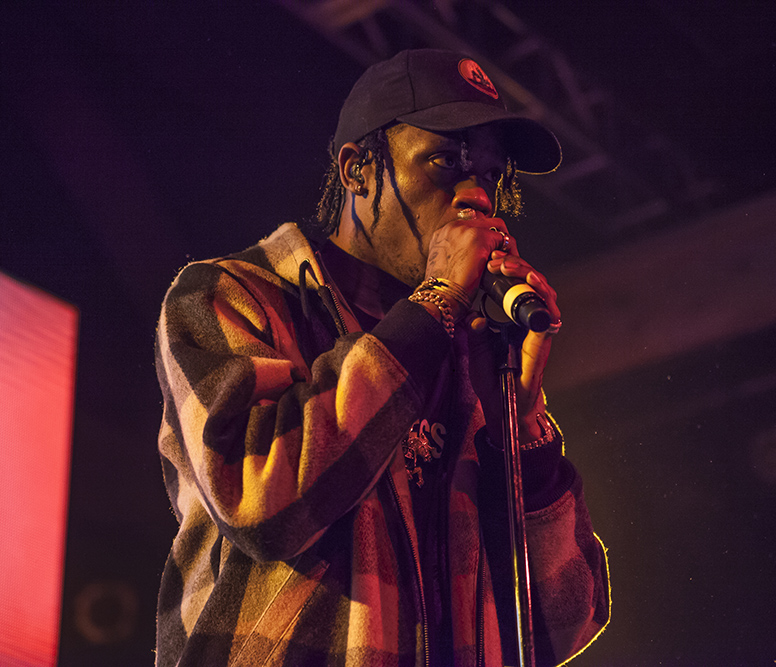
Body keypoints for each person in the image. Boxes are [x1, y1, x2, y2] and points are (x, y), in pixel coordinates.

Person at [154, 48, 610, 666]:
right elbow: (260, 502)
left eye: (491, 174)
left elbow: (565, 624)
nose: (477, 196)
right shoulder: (233, 295)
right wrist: (434, 304)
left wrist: (523, 427)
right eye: (446, 161)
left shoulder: (474, 353)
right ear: (357, 170)